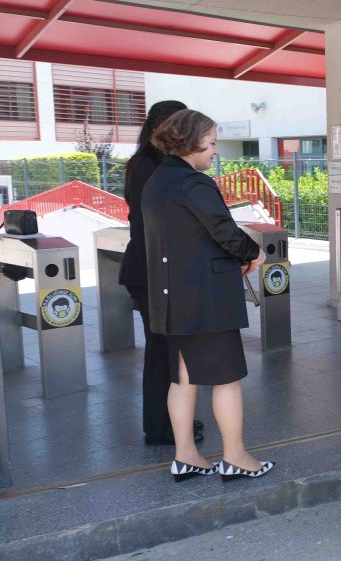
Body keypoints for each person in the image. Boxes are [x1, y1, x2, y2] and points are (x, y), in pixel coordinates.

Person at [141, 109, 272, 482]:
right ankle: (236, 457)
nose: (215, 151)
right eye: (212, 143)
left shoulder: (157, 181)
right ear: (190, 141)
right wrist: (254, 253)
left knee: (182, 378)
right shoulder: (194, 184)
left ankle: (186, 456)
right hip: (205, 299)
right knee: (226, 378)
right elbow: (224, 231)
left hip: (171, 298)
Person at [118, 100, 205, 446]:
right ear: (162, 128)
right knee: (162, 351)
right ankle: (161, 428)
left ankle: (170, 422)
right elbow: (150, 226)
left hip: (158, 270)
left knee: (168, 350)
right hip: (152, 272)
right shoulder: (146, 165)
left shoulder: (157, 163)